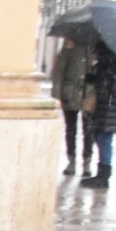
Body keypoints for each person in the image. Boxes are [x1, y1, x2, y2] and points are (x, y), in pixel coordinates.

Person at [81, 41, 116, 188]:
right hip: (107, 106)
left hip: (110, 107)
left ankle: (104, 175)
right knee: (100, 137)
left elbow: (115, 87)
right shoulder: (111, 63)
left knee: (104, 138)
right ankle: (102, 172)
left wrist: (100, 76)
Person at [51, 36, 89, 176]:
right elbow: (58, 72)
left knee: (88, 130)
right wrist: (57, 95)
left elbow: (95, 72)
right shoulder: (69, 46)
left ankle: (87, 162)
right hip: (70, 94)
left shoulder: (93, 47)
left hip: (87, 94)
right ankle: (71, 161)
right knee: (71, 129)